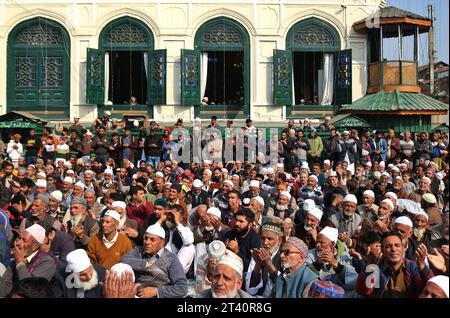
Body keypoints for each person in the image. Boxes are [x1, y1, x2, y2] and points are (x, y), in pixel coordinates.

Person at [120, 223, 188, 298]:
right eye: (146, 238)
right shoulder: (138, 250)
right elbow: (123, 261)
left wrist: (156, 291)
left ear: (162, 243)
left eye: (152, 240)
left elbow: (182, 288)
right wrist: (145, 264)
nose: (147, 242)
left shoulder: (171, 259)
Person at [305, 226, 358, 296]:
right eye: (317, 242)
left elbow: (353, 282)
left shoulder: (344, 256)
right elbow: (303, 279)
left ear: (332, 244)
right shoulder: (311, 254)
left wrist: (337, 266)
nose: (317, 245)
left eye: (321, 242)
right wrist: (317, 265)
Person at [245, 222, 283, 297]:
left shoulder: (284, 256)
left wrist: (269, 265)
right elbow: (250, 290)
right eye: (263, 238)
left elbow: (283, 286)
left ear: (279, 241)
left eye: (270, 239)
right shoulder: (258, 254)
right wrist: (258, 264)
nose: (265, 243)